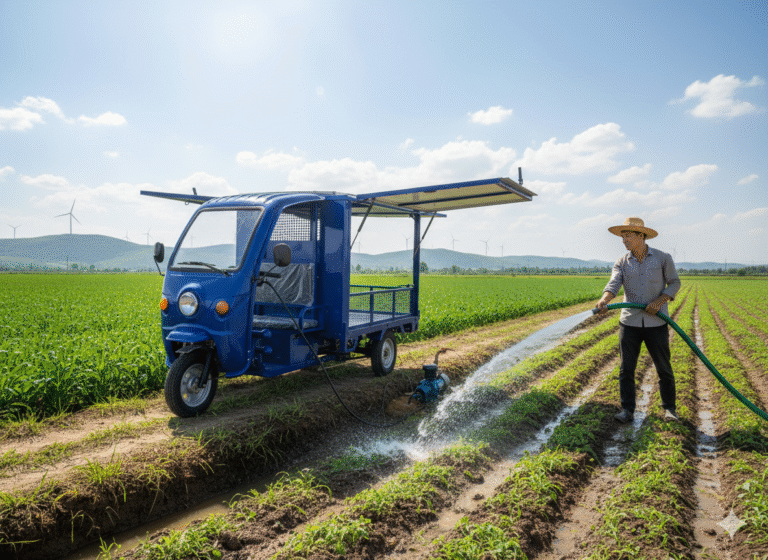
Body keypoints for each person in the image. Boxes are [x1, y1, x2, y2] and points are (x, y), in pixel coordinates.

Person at [596, 217, 681, 423]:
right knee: (626, 369)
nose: (624, 240)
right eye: (622, 236)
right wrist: (605, 299)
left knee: (663, 367)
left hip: (656, 323)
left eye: (628, 235)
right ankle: (627, 410)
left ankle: (669, 409)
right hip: (630, 322)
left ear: (641, 236)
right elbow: (614, 284)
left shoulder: (663, 258)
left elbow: (674, 283)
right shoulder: (622, 262)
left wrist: (660, 300)